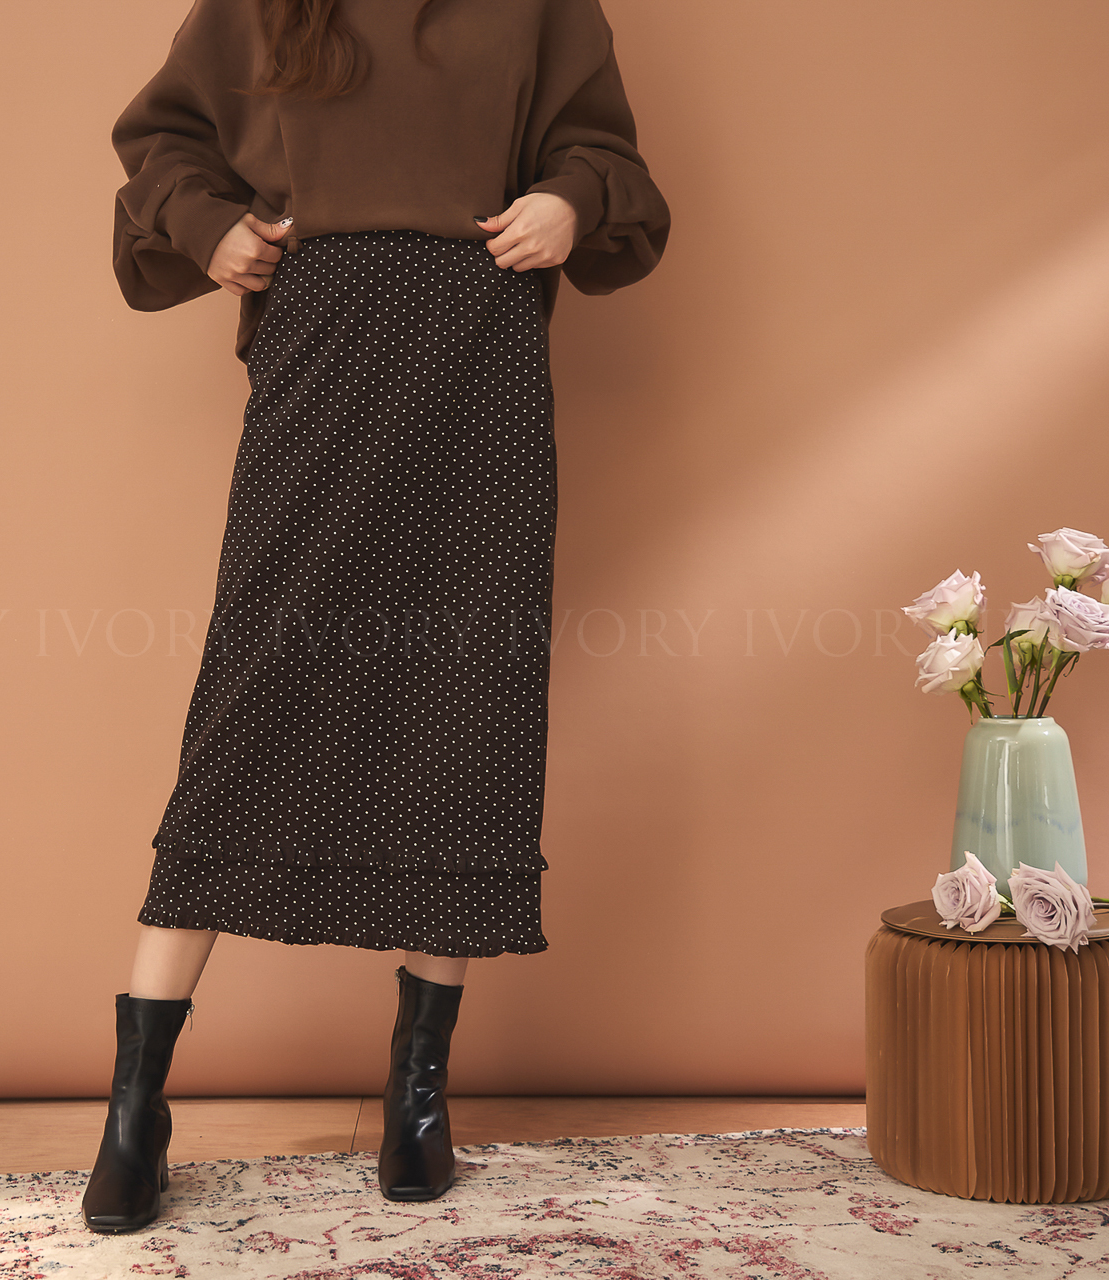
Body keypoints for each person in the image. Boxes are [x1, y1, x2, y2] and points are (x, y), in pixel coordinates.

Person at [84, 0, 670, 1233]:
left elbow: (602, 152)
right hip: (325, 340)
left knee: (468, 708)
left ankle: (417, 1091)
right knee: (253, 704)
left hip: (483, 353)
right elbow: (165, 138)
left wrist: (569, 200)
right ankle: (135, 1105)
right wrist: (209, 228)